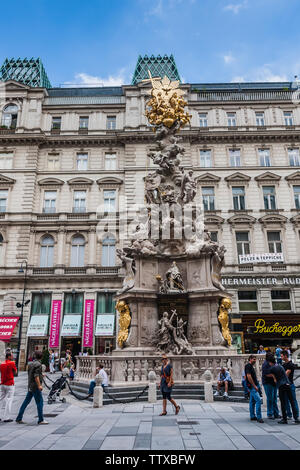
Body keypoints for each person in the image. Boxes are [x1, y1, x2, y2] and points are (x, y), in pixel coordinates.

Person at [15, 350, 48, 425]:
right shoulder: (38, 364)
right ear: (41, 357)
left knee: (26, 402)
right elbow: (35, 376)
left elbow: (32, 373)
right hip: (35, 387)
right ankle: (41, 420)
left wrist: (41, 375)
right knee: (40, 402)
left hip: (30, 385)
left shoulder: (30, 364)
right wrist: (39, 385)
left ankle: (19, 418)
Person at [268, 355, 300, 424]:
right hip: (288, 384)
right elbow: (285, 376)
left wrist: (274, 378)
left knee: (283, 403)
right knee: (292, 401)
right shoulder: (280, 366)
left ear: (270, 362)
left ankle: (284, 419)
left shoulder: (272, 369)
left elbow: (270, 376)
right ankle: (296, 418)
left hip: (281, 386)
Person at [281, 350, 299, 420]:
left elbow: (285, 374)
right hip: (285, 385)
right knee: (286, 401)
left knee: (293, 401)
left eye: (282, 356)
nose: (281, 357)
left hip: (290, 384)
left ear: (285, 356)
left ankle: (296, 415)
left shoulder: (290, 364)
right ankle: (289, 414)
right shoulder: (284, 365)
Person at [245, 355, 264, 423]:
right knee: (258, 400)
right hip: (253, 386)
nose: (255, 360)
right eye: (253, 359)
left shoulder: (250, 366)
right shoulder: (248, 366)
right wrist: (254, 385)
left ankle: (252, 416)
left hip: (254, 385)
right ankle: (259, 417)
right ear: (250, 359)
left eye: (255, 359)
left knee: (252, 401)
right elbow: (248, 376)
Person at [262, 352, 280, 420]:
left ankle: (276, 413)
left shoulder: (272, 362)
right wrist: (274, 376)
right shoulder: (265, 364)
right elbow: (266, 374)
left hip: (273, 383)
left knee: (274, 398)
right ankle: (270, 413)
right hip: (267, 383)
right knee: (270, 399)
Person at [0, 352, 17, 423]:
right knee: (9, 400)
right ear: (9, 356)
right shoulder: (12, 363)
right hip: (10, 383)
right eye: (12, 356)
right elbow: (15, 372)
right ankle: (6, 417)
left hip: (2, 383)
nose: (12, 357)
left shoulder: (1, 364)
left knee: (1, 399)